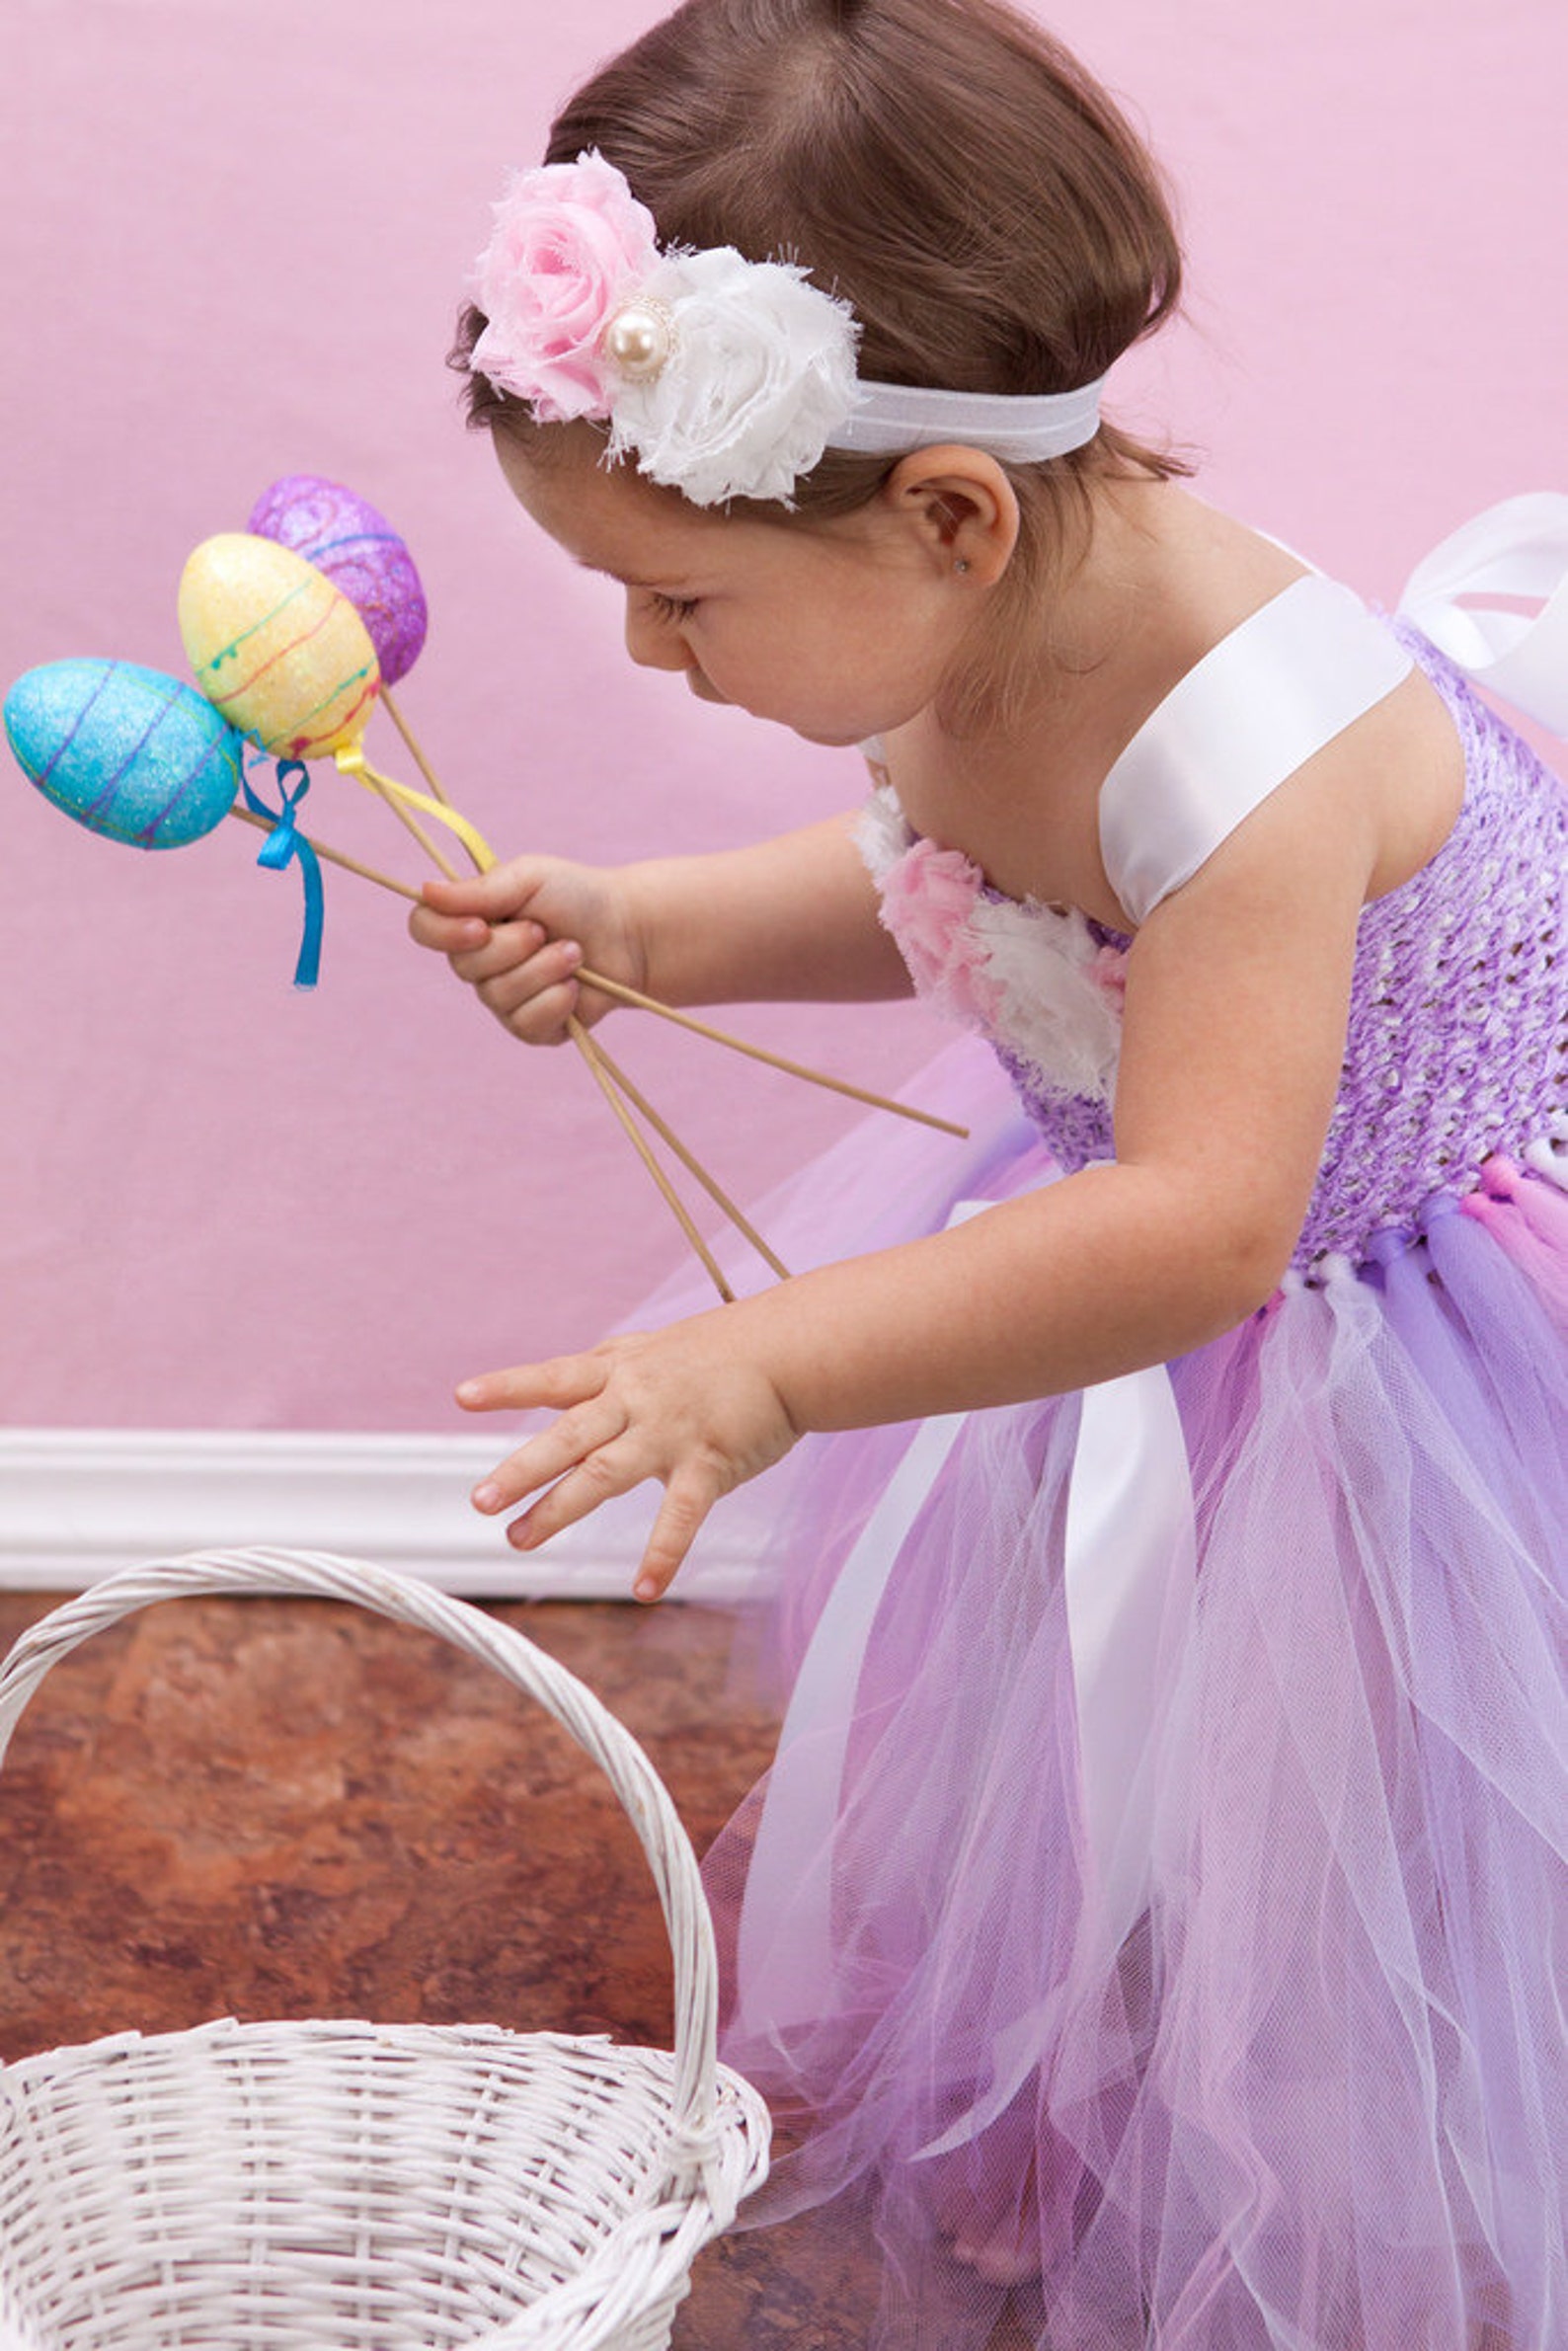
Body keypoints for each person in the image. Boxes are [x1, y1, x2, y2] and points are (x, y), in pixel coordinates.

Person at [410, 0, 1568, 2340]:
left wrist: (765, 1368)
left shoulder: (1256, 751)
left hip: (1353, 1321)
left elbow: (1198, 1224)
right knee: (1092, 1748)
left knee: (1335, 1799)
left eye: (683, 599)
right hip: (1137, 1258)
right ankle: (1099, 2061)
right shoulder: (983, 607)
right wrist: (650, 932)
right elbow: (959, 894)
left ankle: (1301, 2143)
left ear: (947, 517)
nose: (648, 649)